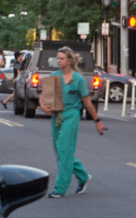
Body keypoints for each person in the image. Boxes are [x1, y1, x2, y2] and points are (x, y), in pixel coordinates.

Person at [39, 47, 104, 198]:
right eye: (58, 58)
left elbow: (87, 103)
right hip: (57, 115)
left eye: (61, 58)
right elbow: (43, 94)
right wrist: (42, 106)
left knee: (63, 148)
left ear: (69, 61)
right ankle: (83, 176)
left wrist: (97, 121)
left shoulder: (78, 79)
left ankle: (59, 189)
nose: (58, 61)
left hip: (72, 114)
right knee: (61, 152)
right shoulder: (54, 76)